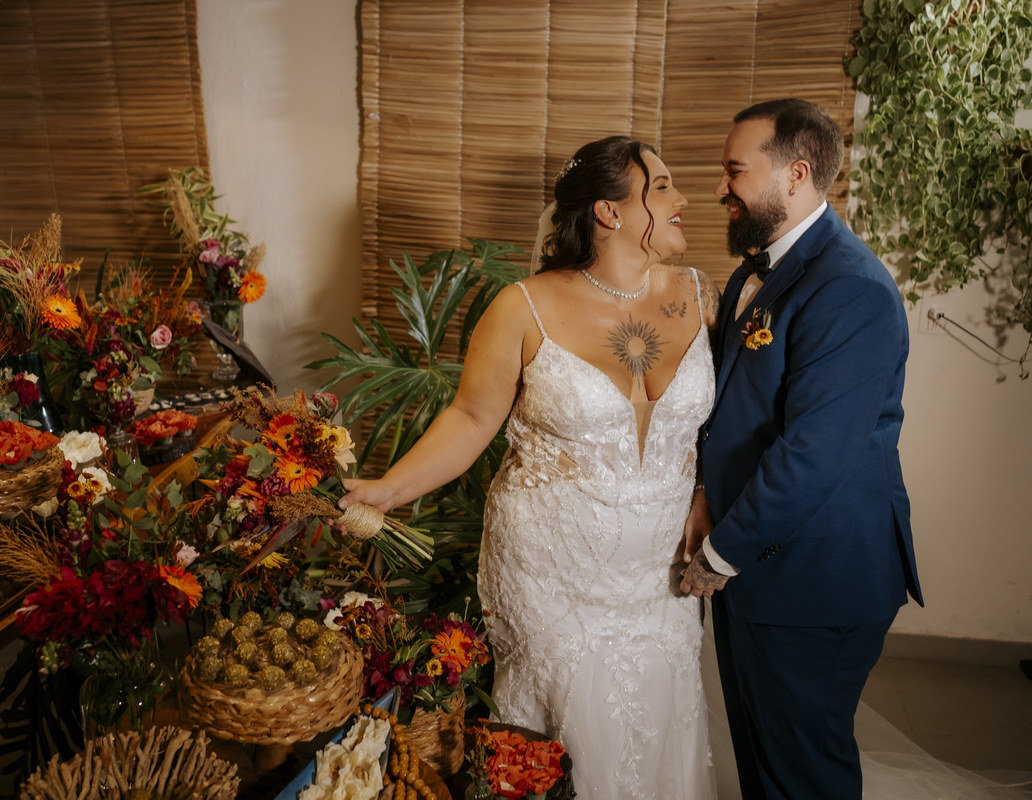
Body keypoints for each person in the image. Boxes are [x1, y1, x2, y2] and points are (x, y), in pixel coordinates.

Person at [338, 135, 720, 798]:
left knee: (660, 719)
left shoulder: (700, 295)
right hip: (555, 576)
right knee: (568, 738)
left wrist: (707, 493)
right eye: (660, 188)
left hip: (658, 576)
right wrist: (387, 489)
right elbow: (469, 419)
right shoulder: (522, 307)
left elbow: (721, 422)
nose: (682, 200)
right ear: (609, 212)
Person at [679, 98, 923, 799]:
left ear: (797, 175)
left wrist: (721, 552)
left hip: (814, 575)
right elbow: (731, 410)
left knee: (803, 777)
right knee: (765, 764)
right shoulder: (759, 273)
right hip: (761, 565)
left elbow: (813, 453)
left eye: (735, 171)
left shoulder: (851, 289)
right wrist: (702, 494)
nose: (720, 188)